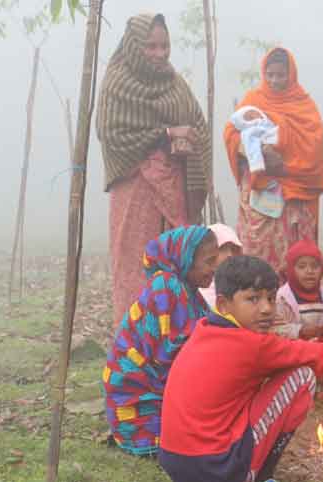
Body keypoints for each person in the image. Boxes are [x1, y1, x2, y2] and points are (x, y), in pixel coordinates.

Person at [158, 256, 323, 482]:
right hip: (214, 467)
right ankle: (259, 476)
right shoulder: (251, 345)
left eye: (270, 298)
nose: (267, 308)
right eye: (253, 299)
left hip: (176, 462)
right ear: (223, 304)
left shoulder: (205, 329)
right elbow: (302, 353)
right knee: (301, 377)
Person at [98, 13, 211, 328]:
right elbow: (112, 134)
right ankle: (135, 348)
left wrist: (188, 138)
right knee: (136, 267)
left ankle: (174, 348)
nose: (160, 53)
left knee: (176, 266)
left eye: (164, 46)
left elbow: (198, 123)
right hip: (136, 192)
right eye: (151, 46)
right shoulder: (118, 83)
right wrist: (165, 134)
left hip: (174, 190)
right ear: (134, 46)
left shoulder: (176, 83)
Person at [102, 225, 218, 456]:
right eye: (209, 261)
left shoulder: (190, 291)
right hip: (136, 394)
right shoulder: (166, 285)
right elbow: (174, 351)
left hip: (155, 386)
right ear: (186, 258)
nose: (214, 269)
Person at [224, 47, 323, 275]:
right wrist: (256, 152)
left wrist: (283, 160)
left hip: (295, 194)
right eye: (270, 74)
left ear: (291, 74)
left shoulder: (304, 105)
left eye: (281, 75)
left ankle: (292, 301)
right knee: (256, 255)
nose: (275, 80)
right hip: (259, 192)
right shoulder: (253, 100)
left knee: (294, 256)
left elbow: (314, 147)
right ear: (264, 73)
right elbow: (231, 132)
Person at [271, 239, 323, 340]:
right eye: (302, 267)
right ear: (290, 270)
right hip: (293, 349)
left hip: (322, 347)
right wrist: (300, 330)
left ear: (322, 270)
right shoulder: (282, 297)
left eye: (315, 266)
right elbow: (277, 328)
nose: (309, 271)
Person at [199, 223, 243, 308]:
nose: (230, 255)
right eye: (223, 249)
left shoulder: (246, 284)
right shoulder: (200, 289)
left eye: (234, 249)